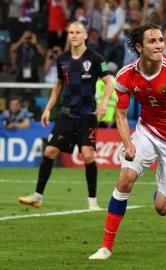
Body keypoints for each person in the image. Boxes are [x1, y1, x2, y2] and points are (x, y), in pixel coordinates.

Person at [88, 23, 166, 260]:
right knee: (124, 181)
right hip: (148, 131)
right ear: (139, 47)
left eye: (161, 40)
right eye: (153, 41)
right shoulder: (125, 76)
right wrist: (128, 145)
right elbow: (121, 116)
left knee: (162, 208)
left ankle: (161, 192)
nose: (159, 45)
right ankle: (106, 247)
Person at [18, 21, 113, 210]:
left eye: (78, 32)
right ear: (68, 36)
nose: (74, 35)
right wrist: (47, 109)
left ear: (85, 35)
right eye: (71, 32)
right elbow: (58, 87)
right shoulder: (62, 59)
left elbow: (109, 82)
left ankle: (92, 202)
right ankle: (37, 196)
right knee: (49, 152)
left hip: (87, 115)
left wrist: (103, 103)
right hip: (67, 114)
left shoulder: (95, 58)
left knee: (87, 155)